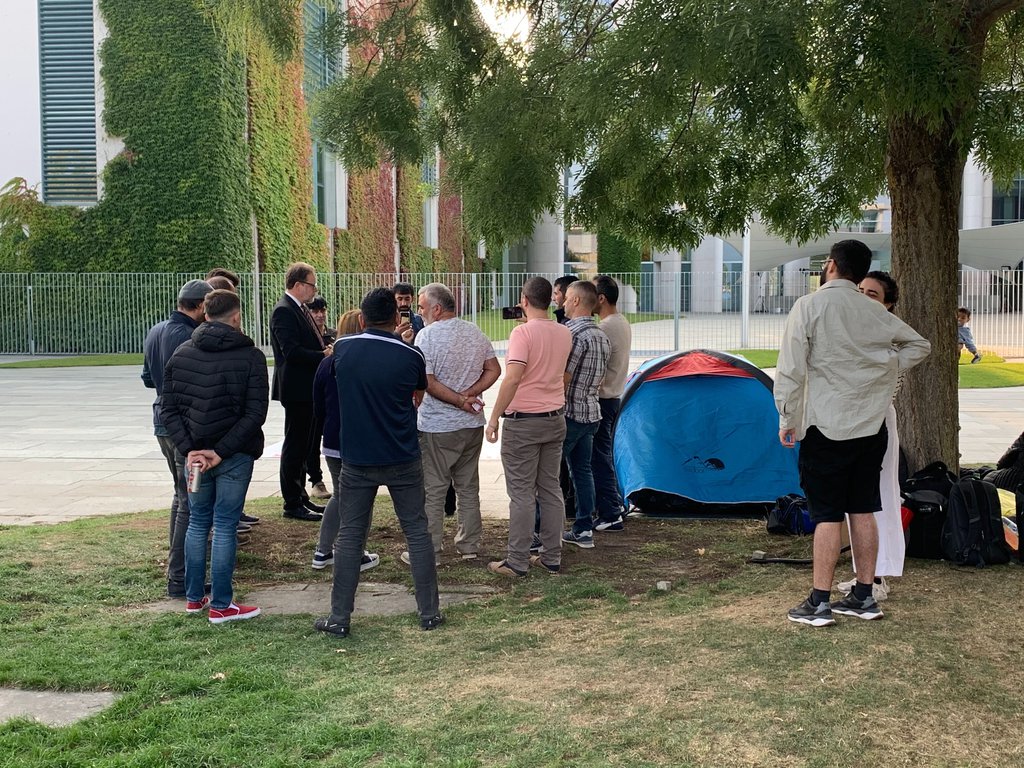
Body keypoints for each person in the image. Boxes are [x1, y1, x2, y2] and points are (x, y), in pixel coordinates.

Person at [775, 240, 930, 627]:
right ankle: (863, 595)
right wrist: (886, 365)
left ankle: (819, 601)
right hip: (870, 425)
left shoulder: (809, 306)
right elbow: (919, 345)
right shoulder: (873, 310)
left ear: (830, 265)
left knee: (827, 514)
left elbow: (790, 369)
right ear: (859, 272)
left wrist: (787, 417)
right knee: (863, 507)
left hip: (825, 424)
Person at [313, 288, 442, 637]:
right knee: (416, 531)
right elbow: (417, 394)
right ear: (397, 318)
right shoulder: (411, 354)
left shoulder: (343, 349)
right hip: (402, 453)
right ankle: (429, 612)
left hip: (357, 457)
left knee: (351, 535)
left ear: (362, 319)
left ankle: (339, 617)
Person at [161, 289, 269, 624]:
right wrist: (219, 452)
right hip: (231, 454)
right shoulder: (250, 357)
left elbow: (168, 410)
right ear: (236, 317)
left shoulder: (181, 353)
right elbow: (255, 414)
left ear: (205, 315)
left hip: (200, 455)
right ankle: (221, 603)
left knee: (198, 521)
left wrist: (191, 450)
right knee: (223, 524)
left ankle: (195, 597)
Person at [485, 277, 572, 577]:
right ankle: (551, 556)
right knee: (550, 488)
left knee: (521, 493)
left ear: (523, 300)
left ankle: (517, 561)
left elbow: (513, 378)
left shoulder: (521, 333)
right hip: (554, 418)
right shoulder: (563, 332)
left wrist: (494, 417)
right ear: (551, 300)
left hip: (523, 422)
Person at [412, 283, 500, 564]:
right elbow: (494, 369)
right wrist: (470, 395)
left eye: (422, 307)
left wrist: (460, 399)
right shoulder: (474, 331)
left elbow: (427, 381)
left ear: (437, 309)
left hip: (438, 425)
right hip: (471, 423)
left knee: (434, 488)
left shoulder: (426, 336)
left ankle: (430, 550)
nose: (419, 312)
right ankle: (469, 545)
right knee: (468, 486)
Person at [836, 271, 906, 602]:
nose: (863, 297)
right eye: (860, 290)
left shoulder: (893, 338)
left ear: (888, 304)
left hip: (876, 421)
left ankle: (878, 576)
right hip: (848, 421)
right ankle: (863, 572)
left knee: (879, 498)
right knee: (856, 500)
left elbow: (889, 386)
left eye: (873, 294)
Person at [141, 278, 211, 598]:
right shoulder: (189, 336)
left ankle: (178, 571)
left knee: (181, 497)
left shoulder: (156, 330)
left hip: (163, 424)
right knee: (189, 504)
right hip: (183, 428)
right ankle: (180, 577)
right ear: (200, 305)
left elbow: (147, 379)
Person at [311, 309, 380, 573]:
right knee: (363, 497)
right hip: (361, 441)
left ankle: (323, 550)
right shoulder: (367, 362)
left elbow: (318, 405)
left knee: (340, 496)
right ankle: (356, 552)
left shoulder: (327, 364)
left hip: (333, 439)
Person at [270, 262, 332, 522]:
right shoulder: (284, 311)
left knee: (305, 444)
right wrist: (322, 355)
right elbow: (291, 352)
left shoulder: (299, 308)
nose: (314, 290)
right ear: (297, 285)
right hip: (296, 388)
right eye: (311, 285)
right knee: (295, 445)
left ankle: (301, 496)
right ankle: (292, 502)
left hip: (307, 388)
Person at [560, 281, 609, 549]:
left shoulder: (573, 334)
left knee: (548, 474)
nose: (563, 302)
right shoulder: (601, 335)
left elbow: (564, 377)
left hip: (570, 413)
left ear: (577, 301)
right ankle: (583, 529)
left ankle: (541, 531)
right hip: (591, 412)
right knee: (582, 471)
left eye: (567, 298)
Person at [591, 275, 632, 531]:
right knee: (603, 455)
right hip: (613, 397)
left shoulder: (604, 329)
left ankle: (610, 513)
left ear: (602, 298)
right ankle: (613, 504)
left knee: (599, 458)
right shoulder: (621, 322)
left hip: (603, 400)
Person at [304, 295, 335, 500]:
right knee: (313, 438)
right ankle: (316, 480)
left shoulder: (332, 335)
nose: (320, 315)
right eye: (315, 311)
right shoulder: (308, 337)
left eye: (322, 310)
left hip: (330, 393)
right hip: (313, 392)